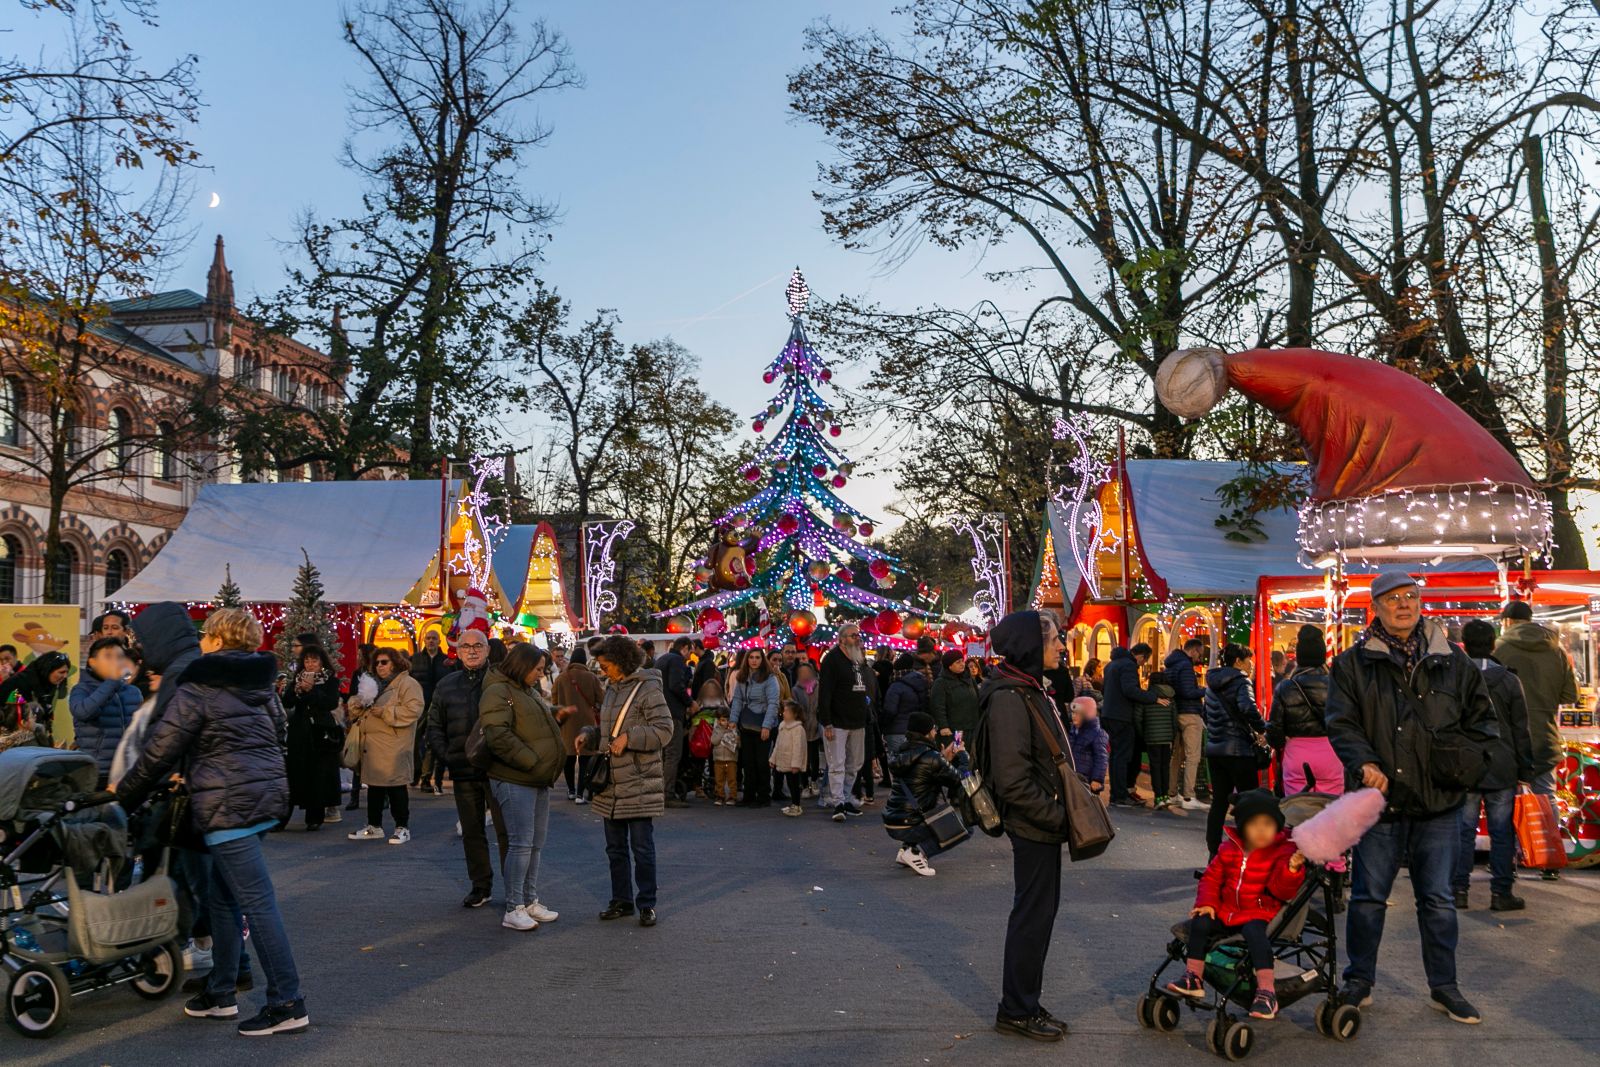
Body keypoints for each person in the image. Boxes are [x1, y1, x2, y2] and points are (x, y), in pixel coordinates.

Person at [113, 606, 308, 1036]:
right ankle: (221, 993)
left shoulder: (199, 684)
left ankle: (288, 1001)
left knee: (258, 902)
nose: (200, 642)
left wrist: (121, 798)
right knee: (223, 899)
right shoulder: (262, 684)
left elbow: (160, 750)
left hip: (227, 806)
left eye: (205, 635)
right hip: (260, 798)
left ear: (219, 640)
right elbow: (278, 733)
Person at [1326, 566, 1496, 1024]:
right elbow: (1341, 723)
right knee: (1367, 898)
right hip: (1378, 802)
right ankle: (1358, 980)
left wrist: (1467, 761)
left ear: (1420, 604)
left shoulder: (1452, 660)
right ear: (1376, 607)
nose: (1404, 605)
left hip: (1438, 800)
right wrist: (1364, 762)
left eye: (1411, 596)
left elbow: (1482, 720)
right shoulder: (1352, 664)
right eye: (1393, 598)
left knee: (1438, 900)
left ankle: (1445, 987)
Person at [979, 610, 1073, 1042]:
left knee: (1039, 914)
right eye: (1054, 641)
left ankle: (1025, 1001)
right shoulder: (1010, 698)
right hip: (1034, 824)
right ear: (1033, 648)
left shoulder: (1026, 690)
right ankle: (1016, 1008)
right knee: (1032, 917)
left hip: (1042, 823)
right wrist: (1059, 818)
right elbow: (1013, 780)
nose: (1061, 648)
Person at [1167, 790, 1305, 1021]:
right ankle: (1193, 977)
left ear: (1277, 826)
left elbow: (1282, 889)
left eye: (1268, 824)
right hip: (1227, 909)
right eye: (1254, 825)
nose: (1261, 831)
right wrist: (1207, 904)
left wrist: (1291, 869)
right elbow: (1211, 878)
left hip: (1259, 908)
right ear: (1242, 827)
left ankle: (1265, 991)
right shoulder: (1229, 849)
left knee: (1255, 934)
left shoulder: (1282, 851)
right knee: (1200, 923)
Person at [577, 635, 673, 927]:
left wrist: (631, 738)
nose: (601, 669)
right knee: (615, 848)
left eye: (605, 665)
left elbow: (664, 730)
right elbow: (607, 730)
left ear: (620, 662)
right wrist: (589, 734)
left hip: (639, 781)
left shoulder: (648, 689)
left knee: (642, 848)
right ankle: (621, 900)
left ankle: (646, 903)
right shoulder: (612, 689)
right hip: (612, 785)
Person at [479, 643, 566, 932]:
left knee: (534, 844)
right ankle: (514, 906)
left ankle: (529, 900)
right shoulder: (498, 691)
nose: (541, 674)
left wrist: (555, 712)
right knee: (521, 844)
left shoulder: (523, 690)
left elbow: (529, 720)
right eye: (538, 669)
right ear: (521, 665)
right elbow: (498, 735)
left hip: (535, 777)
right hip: (515, 777)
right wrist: (531, 760)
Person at [1492, 599, 1578, 882]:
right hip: (1544, 736)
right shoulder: (1556, 650)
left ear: (1507, 622)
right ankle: (1548, 859)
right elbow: (1570, 696)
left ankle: (1507, 862)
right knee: (1545, 797)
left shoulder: (1500, 649)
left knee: (1505, 800)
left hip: (1507, 737)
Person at [1454, 619, 1534, 912]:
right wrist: (1526, 771)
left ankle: (1458, 891)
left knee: (1463, 829)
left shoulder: (1455, 678)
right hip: (1502, 765)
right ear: (1492, 644)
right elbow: (1520, 730)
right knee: (1502, 831)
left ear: (1464, 644)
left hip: (1466, 765)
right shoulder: (1511, 681)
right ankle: (1501, 893)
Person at [424, 629, 506, 906]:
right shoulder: (447, 685)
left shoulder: (501, 683)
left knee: (507, 832)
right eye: (466, 646)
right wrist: (447, 755)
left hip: (498, 768)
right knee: (472, 831)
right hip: (462, 768)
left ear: (487, 650)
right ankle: (481, 886)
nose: (472, 651)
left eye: (478, 646)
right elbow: (433, 725)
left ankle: (516, 890)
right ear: (458, 652)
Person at [346, 647, 423, 845]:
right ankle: (374, 826)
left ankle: (402, 827)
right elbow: (355, 707)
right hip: (372, 744)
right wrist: (358, 703)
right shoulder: (372, 683)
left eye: (384, 662)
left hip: (394, 744)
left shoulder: (407, 684)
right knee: (374, 787)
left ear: (395, 662)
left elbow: (414, 710)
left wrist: (387, 713)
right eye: (377, 662)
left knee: (396, 786)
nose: (380, 666)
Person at [883, 710, 967, 877]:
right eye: (934, 728)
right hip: (911, 822)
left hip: (893, 819)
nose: (935, 731)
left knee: (917, 807)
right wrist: (963, 757)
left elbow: (921, 772)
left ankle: (906, 849)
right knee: (965, 826)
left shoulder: (900, 752)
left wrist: (943, 758)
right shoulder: (932, 757)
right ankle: (918, 853)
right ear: (928, 732)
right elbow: (960, 781)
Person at [1202, 643, 1267, 857]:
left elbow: (1207, 714)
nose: (1252, 666)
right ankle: (1248, 850)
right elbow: (1248, 707)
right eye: (1249, 661)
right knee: (1249, 801)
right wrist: (1261, 728)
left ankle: (1214, 851)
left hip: (1215, 750)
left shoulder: (1211, 683)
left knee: (1219, 801)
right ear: (1238, 661)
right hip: (1239, 749)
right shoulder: (1241, 681)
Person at [1268, 626, 1341, 797]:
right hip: (1331, 755)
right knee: (1332, 812)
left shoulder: (1286, 687)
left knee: (1296, 812)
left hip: (1297, 756)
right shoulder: (1337, 685)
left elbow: (1275, 732)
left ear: (1299, 657)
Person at [281, 645, 343, 831]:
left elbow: (330, 702)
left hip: (320, 731)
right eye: (307, 660)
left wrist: (312, 691)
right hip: (299, 732)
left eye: (314, 660)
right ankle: (283, 817)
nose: (310, 664)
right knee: (295, 772)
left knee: (319, 773)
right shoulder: (298, 678)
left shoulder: (330, 681)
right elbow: (287, 702)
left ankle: (315, 816)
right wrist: (296, 690)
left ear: (321, 662)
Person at [817, 623, 874, 822]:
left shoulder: (858, 659)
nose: (857, 638)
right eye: (852, 635)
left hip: (857, 720)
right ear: (841, 639)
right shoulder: (832, 660)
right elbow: (825, 693)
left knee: (855, 763)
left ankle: (848, 796)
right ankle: (838, 801)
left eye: (858, 635)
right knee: (837, 763)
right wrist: (827, 722)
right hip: (837, 722)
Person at [70, 636, 141, 788]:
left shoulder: (133, 692)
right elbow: (84, 712)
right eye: (108, 656)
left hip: (127, 770)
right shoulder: (81, 690)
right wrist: (112, 682)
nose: (116, 661)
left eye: (120, 656)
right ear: (92, 662)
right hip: (96, 771)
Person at [1101, 643, 1166, 806]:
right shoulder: (1129, 666)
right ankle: (1119, 795)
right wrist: (1153, 698)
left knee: (1116, 756)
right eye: (1145, 661)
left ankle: (1117, 794)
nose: (1143, 664)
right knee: (1122, 757)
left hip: (1109, 714)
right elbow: (1130, 690)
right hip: (1122, 716)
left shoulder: (1111, 665)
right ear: (1141, 656)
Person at [730, 647, 781, 807]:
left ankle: (763, 796)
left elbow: (773, 703)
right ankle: (749, 795)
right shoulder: (742, 677)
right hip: (747, 724)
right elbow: (737, 699)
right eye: (751, 657)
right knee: (747, 761)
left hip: (764, 723)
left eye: (757, 657)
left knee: (761, 762)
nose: (754, 660)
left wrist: (766, 726)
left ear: (762, 659)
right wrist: (733, 720)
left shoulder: (770, 678)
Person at [553, 643, 603, 803]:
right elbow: (600, 699)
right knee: (584, 760)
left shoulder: (561, 678)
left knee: (568, 758)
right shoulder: (592, 677)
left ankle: (571, 790)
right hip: (586, 724)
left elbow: (554, 701)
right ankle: (581, 794)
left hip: (566, 723)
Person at [1163, 638, 1208, 810]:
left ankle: (1172, 792)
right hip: (1190, 714)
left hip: (1175, 713)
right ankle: (1189, 796)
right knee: (1193, 756)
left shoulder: (1171, 665)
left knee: (1176, 756)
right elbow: (1188, 691)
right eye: (1200, 654)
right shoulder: (1186, 667)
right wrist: (1205, 690)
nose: (1199, 658)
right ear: (1194, 650)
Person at [409, 629, 453, 795]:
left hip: (439, 706)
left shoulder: (446, 661)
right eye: (428, 638)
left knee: (432, 743)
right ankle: (417, 771)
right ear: (424, 641)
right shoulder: (415, 659)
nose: (431, 641)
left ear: (438, 641)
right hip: (419, 705)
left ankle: (427, 778)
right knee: (413, 739)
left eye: (434, 638)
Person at [655, 636, 694, 807]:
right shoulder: (677, 661)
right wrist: (690, 702)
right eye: (690, 651)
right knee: (673, 753)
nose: (690, 656)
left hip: (658, 712)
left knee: (662, 754)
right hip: (672, 713)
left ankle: (659, 791)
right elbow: (675, 686)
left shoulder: (662, 659)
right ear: (684, 648)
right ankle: (667, 794)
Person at [1, 649, 70, 738]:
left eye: (66, 672)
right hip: (15, 743)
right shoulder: (18, 685)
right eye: (61, 672)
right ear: (47, 669)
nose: (65, 676)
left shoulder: (47, 685)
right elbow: (13, 716)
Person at [343, 644, 378, 811]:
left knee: (374, 758)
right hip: (358, 718)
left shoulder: (377, 672)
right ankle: (354, 796)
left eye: (359, 654)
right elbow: (351, 693)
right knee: (357, 757)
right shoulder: (357, 673)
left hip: (374, 719)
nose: (357, 656)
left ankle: (381, 795)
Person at [1139, 662, 1178, 811]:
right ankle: (1166, 795)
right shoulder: (1171, 697)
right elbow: (1174, 720)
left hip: (1152, 737)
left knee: (1155, 766)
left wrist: (1143, 732)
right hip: (1167, 737)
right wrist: (1172, 735)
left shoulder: (1147, 697)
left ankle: (1158, 797)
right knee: (1164, 766)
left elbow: (1138, 717)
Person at [879, 652, 928, 760]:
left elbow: (890, 710)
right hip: (916, 732)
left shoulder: (896, 686)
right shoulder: (922, 682)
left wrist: (882, 726)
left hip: (896, 731)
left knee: (898, 765)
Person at [770, 699, 809, 817]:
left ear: (795, 714)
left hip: (792, 764)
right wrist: (773, 759)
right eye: (784, 711)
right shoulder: (782, 726)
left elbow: (799, 748)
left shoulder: (798, 729)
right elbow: (777, 744)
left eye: (787, 711)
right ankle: (793, 804)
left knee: (794, 785)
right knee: (789, 783)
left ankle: (796, 805)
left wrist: (796, 764)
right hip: (783, 761)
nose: (784, 713)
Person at [930, 650, 980, 742]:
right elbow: (938, 706)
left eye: (962, 661)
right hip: (956, 730)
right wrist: (943, 726)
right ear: (949, 666)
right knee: (957, 753)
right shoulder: (941, 683)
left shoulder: (969, 679)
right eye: (958, 662)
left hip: (973, 727)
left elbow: (977, 698)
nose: (962, 664)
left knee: (972, 754)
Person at [1067, 696, 1108, 795]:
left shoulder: (1097, 734)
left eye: (1078, 714)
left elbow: (1101, 758)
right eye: (1072, 713)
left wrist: (1097, 779)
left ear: (1087, 715)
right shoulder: (1072, 731)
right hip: (1073, 778)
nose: (1074, 716)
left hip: (1088, 781)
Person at [710, 708, 739, 805]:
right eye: (723, 720)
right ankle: (720, 796)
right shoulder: (716, 730)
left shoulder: (734, 729)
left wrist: (735, 736)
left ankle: (732, 797)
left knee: (732, 780)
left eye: (727, 720)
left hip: (731, 759)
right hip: (718, 760)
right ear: (718, 721)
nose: (726, 722)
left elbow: (738, 744)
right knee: (719, 780)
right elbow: (714, 741)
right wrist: (722, 732)